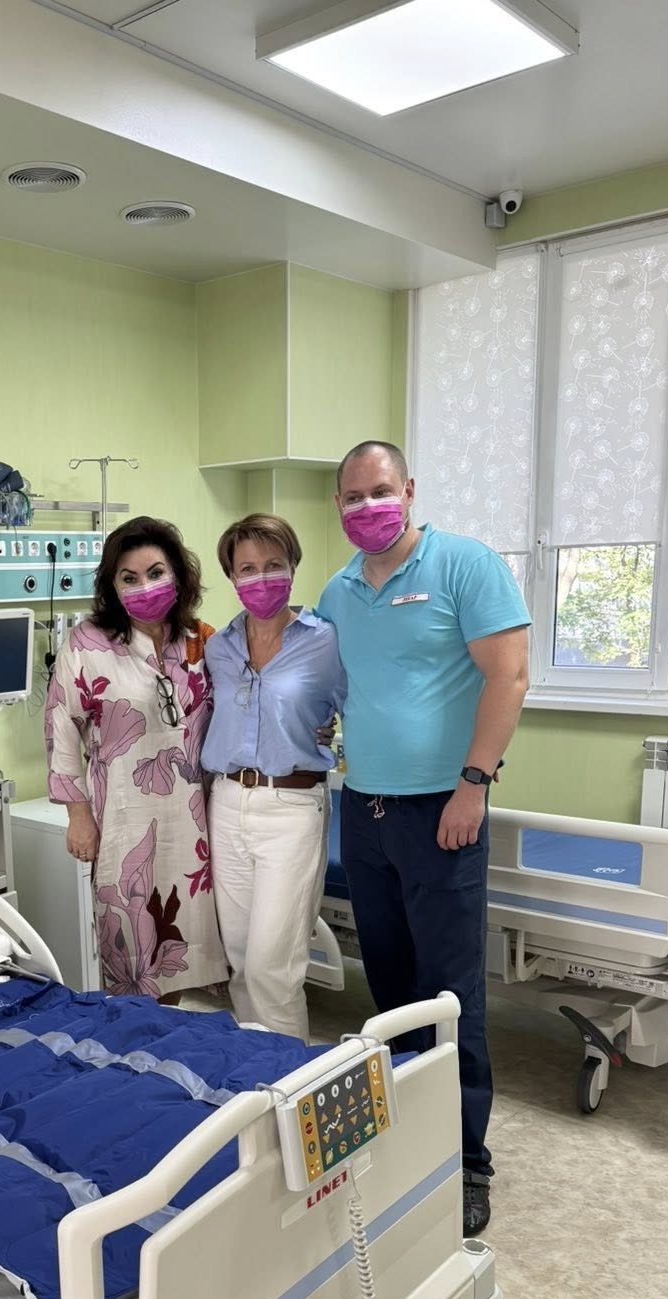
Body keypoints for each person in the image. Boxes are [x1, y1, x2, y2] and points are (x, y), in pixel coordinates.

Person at [318, 441, 531, 1236]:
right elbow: (333, 686)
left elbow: (509, 675)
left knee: (450, 991)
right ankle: (410, 1134)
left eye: (379, 491)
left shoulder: (465, 565)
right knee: (390, 983)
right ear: (338, 506)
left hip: (443, 808)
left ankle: (467, 1159)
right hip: (363, 808)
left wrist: (473, 784)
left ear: (408, 490)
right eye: (352, 497)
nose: (366, 507)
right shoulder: (337, 591)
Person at [45, 516, 228, 1001]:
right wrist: (78, 815)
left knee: (183, 955)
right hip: (123, 822)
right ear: (112, 585)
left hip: (196, 825)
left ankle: (174, 1035)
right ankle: (135, 1041)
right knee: (132, 958)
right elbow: (61, 728)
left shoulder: (203, 640)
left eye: (156, 572)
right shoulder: (87, 643)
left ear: (178, 575)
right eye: (129, 577)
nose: (145, 585)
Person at [202, 514, 345, 1041]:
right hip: (226, 802)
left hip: (291, 809)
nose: (260, 578)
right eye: (247, 568)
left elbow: (363, 705)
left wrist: (334, 736)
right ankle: (253, 1077)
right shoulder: (219, 647)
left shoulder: (325, 642)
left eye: (273, 564)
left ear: (292, 567)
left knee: (273, 968)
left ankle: (288, 1083)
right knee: (240, 961)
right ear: (231, 576)